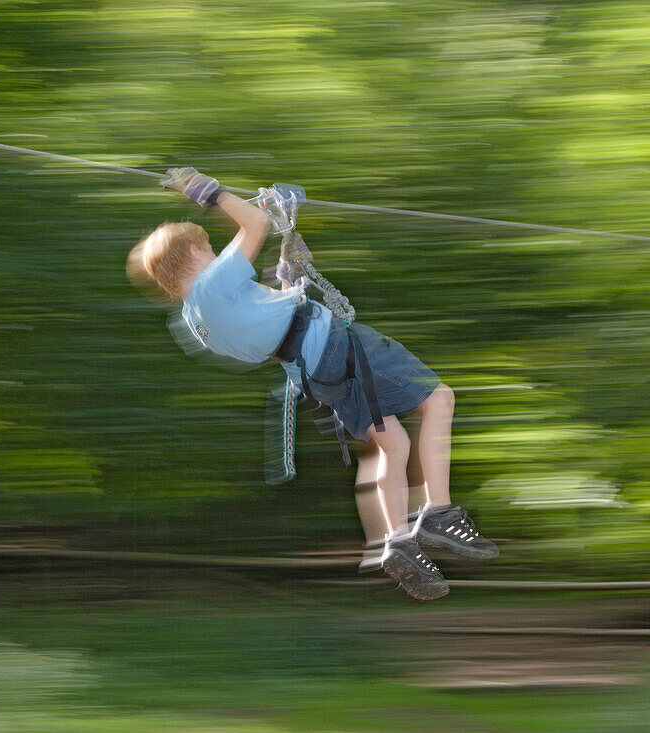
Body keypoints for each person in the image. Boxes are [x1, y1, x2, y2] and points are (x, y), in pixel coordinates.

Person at [127, 167, 497, 600]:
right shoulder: (209, 286)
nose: (217, 254)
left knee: (393, 444)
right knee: (439, 398)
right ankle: (437, 513)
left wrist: (286, 272)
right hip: (336, 348)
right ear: (193, 254)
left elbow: (266, 326)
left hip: (312, 372)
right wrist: (207, 190)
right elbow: (256, 223)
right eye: (209, 248)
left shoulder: (194, 322)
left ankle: (397, 541)